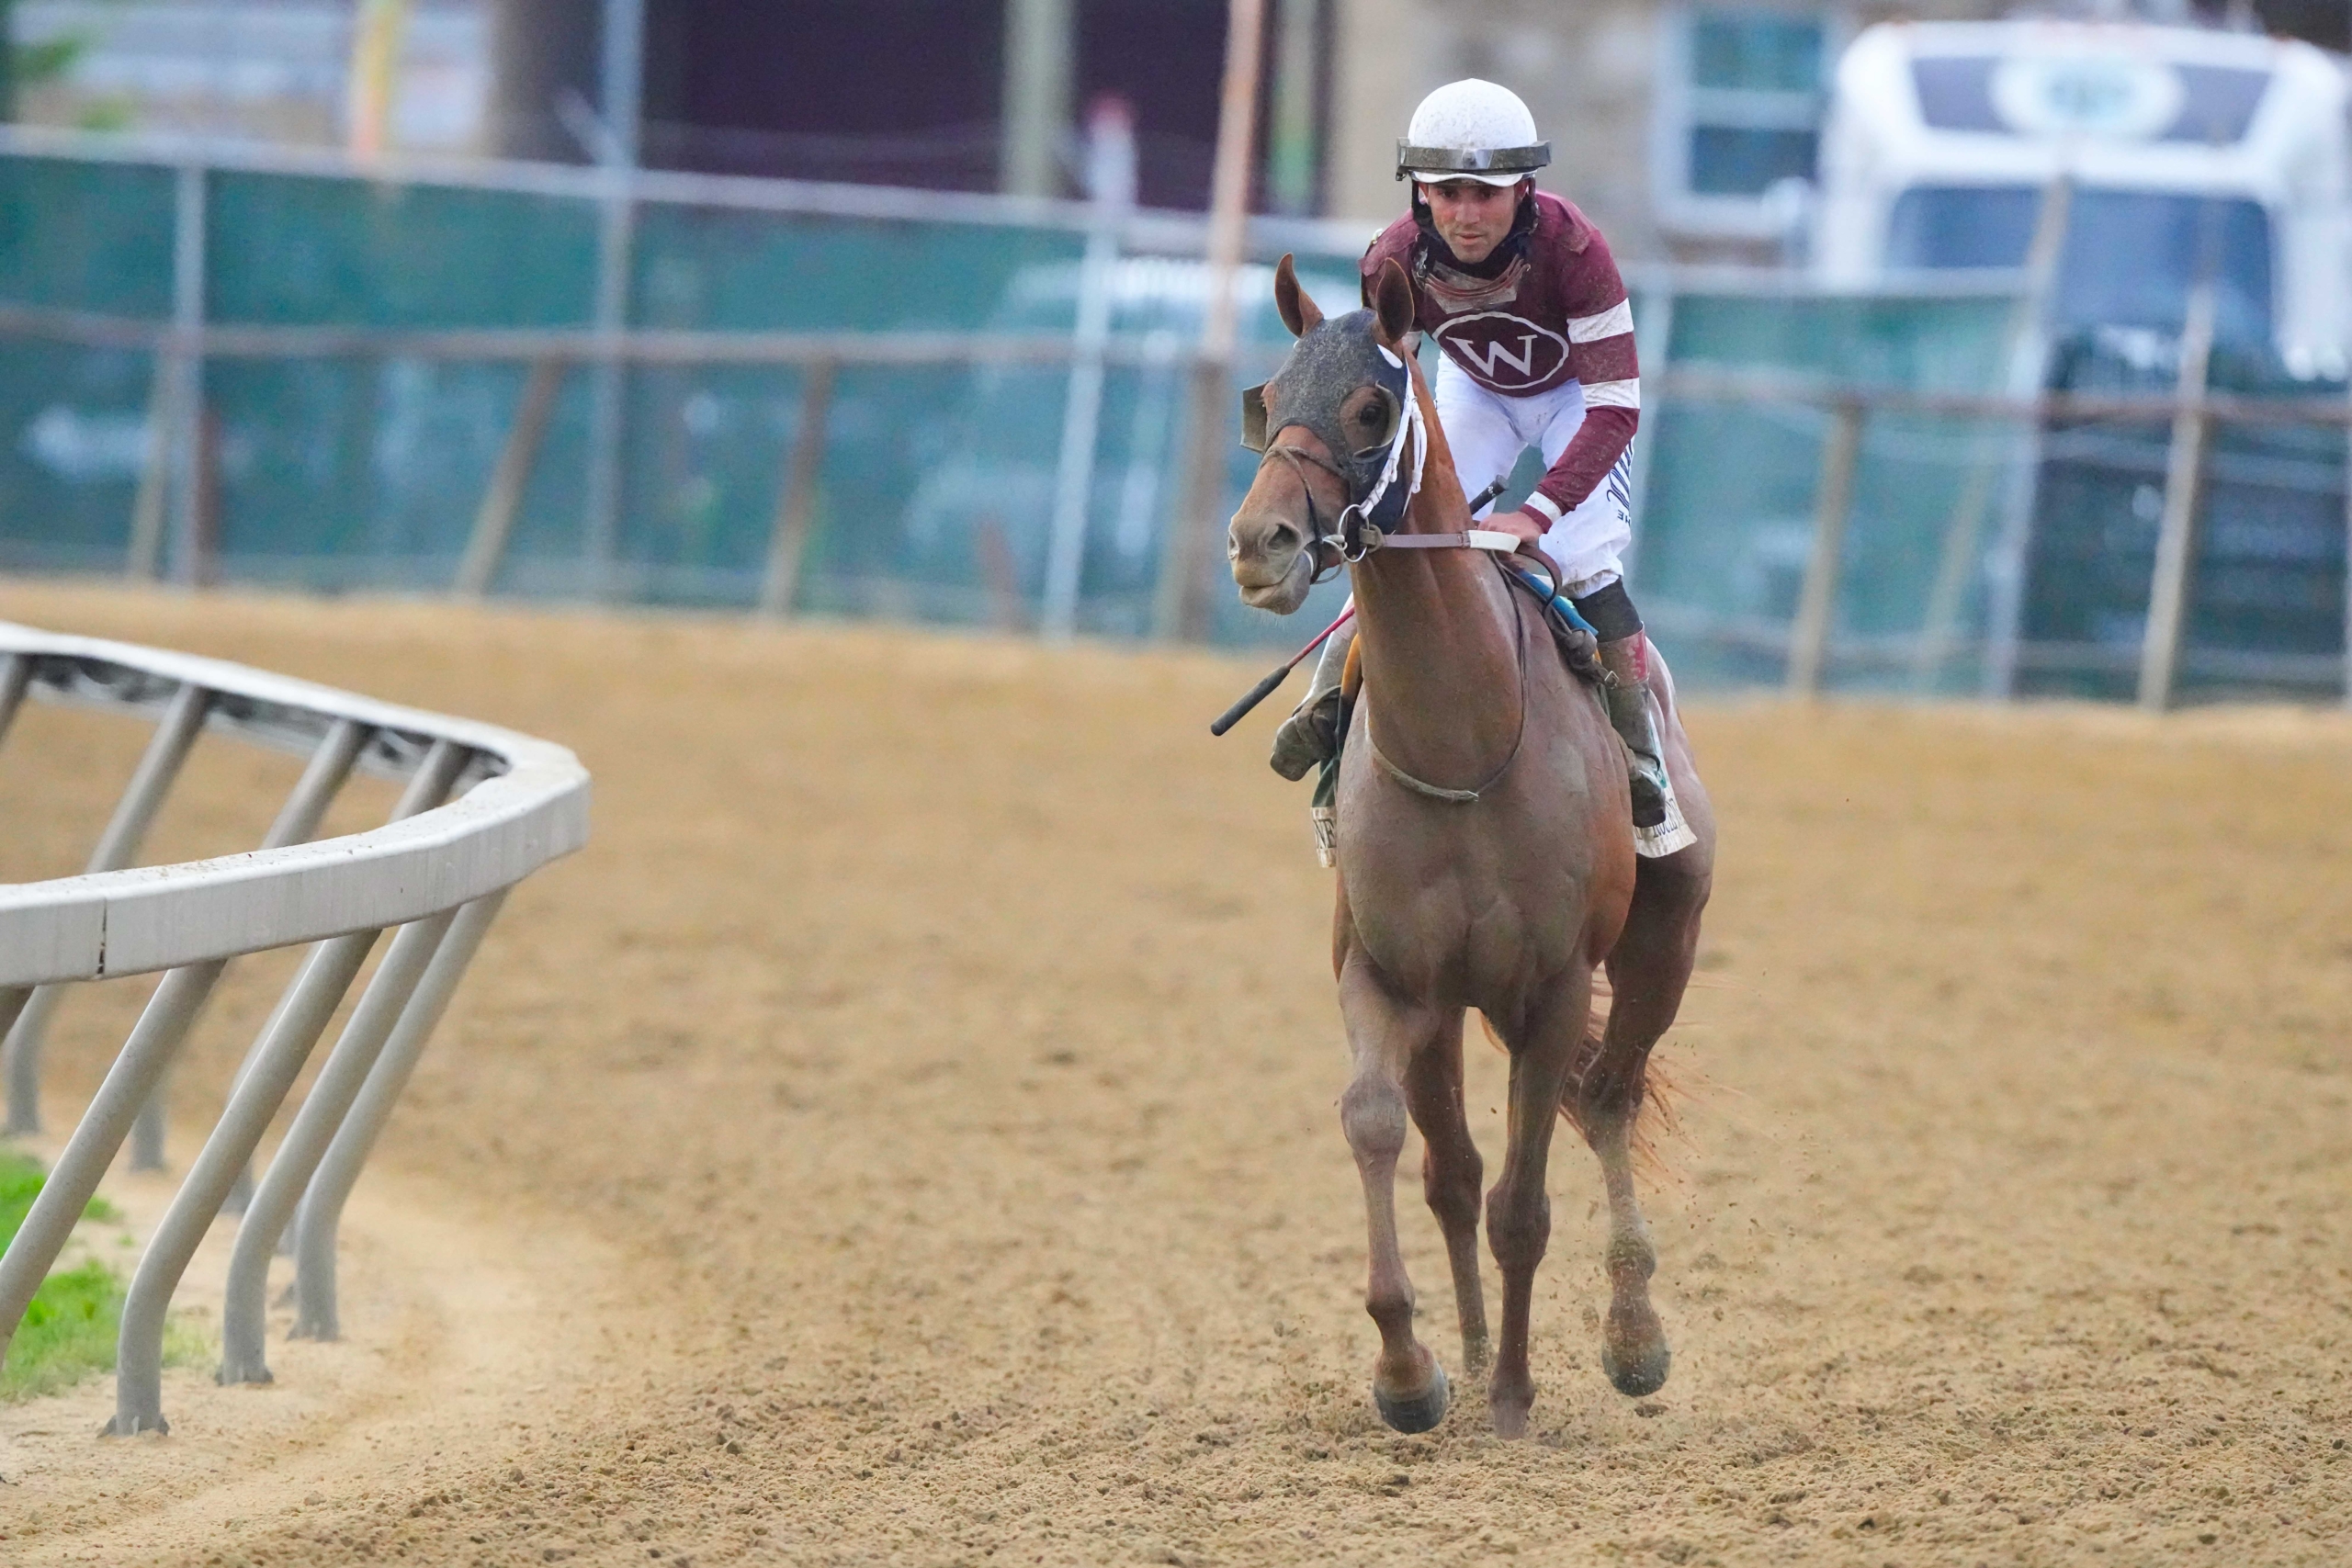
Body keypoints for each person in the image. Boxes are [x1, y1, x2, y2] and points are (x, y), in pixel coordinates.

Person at [1269, 78, 1688, 852]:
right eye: (1446, 192)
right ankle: (1327, 714)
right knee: (1388, 542)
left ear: (1524, 189)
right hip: (1475, 392)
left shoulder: (1575, 248)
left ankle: (1642, 761)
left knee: (1585, 558)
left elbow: (1616, 406)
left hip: (1578, 399)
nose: (1464, 214)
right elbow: (1385, 388)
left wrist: (1536, 510)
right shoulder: (1392, 257)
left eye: (1484, 194)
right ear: (1420, 191)